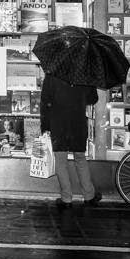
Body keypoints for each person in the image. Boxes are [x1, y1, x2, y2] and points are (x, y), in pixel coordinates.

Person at [40, 74, 101, 209]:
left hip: (58, 123)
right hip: (77, 123)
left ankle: (66, 198)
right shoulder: (85, 76)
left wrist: (45, 126)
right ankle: (89, 196)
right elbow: (93, 99)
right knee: (80, 158)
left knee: (61, 161)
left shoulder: (52, 75)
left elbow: (45, 101)